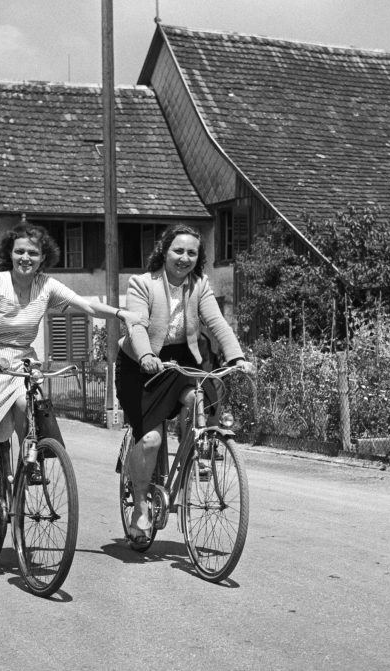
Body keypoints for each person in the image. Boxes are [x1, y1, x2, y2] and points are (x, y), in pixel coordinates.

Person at [0, 222, 137, 560]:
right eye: (20, 251)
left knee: (27, 404)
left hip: (23, 361)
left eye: (33, 253)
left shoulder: (46, 285)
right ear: (10, 254)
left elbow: (87, 306)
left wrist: (121, 313)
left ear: (43, 258)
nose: (26, 258)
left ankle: (31, 458)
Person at [116, 223, 253, 546]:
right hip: (141, 365)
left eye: (192, 252)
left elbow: (216, 322)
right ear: (164, 252)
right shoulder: (142, 284)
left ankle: (199, 450)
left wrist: (236, 357)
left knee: (199, 396)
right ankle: (140, 507)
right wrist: (146, 355)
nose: (184, 258)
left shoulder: (199, 285)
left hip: (180, 362)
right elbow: (136, 327)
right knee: (151, 439)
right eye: (178, 250)